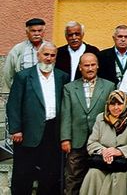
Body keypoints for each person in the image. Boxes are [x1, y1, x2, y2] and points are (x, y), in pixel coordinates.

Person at [7, 42, 69, 195]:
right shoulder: (24, 76)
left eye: (52, 55)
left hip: (52, 130)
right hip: (27, 132)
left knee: (49, 173)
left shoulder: (62, 77)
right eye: (45, 54)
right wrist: (16, 129)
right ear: (38, 55)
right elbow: (13, 103)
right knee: (23, 174)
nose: (48, 58)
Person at [60, 53, 116, 195]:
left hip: (100, 141)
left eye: (92, 65)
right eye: (86, 65)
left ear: (97, 66)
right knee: (73, 176)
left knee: (98, 175)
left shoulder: (109, 86)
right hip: (76, 141)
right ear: (80, 67)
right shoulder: (70, 88)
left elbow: (113, 114)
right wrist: (65, 138)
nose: (90, 68)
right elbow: (66, 114)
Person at [80, 90, 127, 195]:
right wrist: (105, 151)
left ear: (125, 104)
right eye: (112, 104)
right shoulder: (101, 118)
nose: (116, 108)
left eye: (119, 104)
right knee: (93, 174)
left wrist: (119, 151)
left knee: (120, 176)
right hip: (104, 160)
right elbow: (92, 143)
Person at [3, 17, 46, 89]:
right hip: (25, 89)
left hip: (45, 88)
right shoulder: (18, 49)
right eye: (33, 31)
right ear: (27, 32)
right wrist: (15, 89)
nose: (36, 34)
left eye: (39, 31)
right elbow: (8, 73)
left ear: (43, 32)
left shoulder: (50, 48)